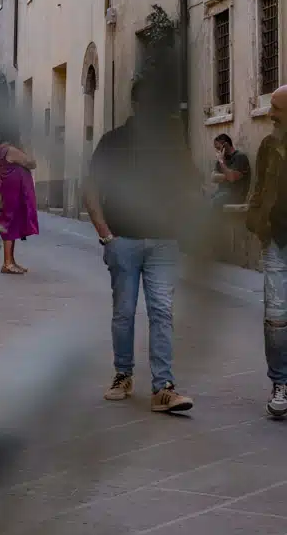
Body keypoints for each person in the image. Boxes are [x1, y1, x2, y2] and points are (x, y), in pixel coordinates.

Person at [85, 75, 200, 414]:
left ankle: (163, 387)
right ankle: (123, 375)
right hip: (124, 239)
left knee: (162, 312)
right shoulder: (114, 142)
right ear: (138, 105)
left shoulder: (173, 144)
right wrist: (105, 233)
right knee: (124, 312)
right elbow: (91, 188)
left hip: (164, 243)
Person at [246, 84, 287, 418]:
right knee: (275, 318)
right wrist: (257, 222)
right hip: (275, 240)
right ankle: (280, 383)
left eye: (277, 108)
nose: (271, 114)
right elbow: (258, 188)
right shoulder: (268, 146)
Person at [0, 138, 39, 274]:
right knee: (9, 224)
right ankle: (7, 263)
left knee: (12, 225)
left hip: (9, 190)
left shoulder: (0, 150)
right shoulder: (11, 150)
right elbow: (31, 163)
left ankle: (11, 261)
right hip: (12, 193)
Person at [210, 133, 250, 205]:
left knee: (213, 203)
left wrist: (222, 162)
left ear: (225, 145)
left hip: (235, 195)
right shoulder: (221, 159)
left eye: (218, 148)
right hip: (222, 193)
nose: (217, 152)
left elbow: (231, 178)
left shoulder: (240, 157)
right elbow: (213, 177)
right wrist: (227, 176)